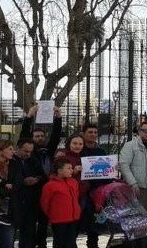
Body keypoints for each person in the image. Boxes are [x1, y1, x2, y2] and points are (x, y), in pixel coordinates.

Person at [20, 104, 61, 248]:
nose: (40, 138)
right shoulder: (29, 151)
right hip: (30, 192)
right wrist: (29, 115)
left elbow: (56, 136)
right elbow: (24, 133)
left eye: (42, 136)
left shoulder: (47, 151)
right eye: (36, 136)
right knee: (29, 226)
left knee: (43, 224)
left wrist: (58, 117)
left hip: (45, 192)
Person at [9, 138, 47, 248]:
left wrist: (36, 179)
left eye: (30, 151)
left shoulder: (33, 160)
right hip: (16, 202)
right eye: (25, 151)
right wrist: (23, 181)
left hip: (30, 202)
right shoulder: (12, 161)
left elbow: (43, 176)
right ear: (18, 149)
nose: (28, 154)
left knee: (29, 233)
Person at [39, 159, 81, 248]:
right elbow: (45, 203)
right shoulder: (50, 186)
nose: (71, 170)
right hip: (59, 220)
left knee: (71, 243)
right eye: (68, 168)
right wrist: (54, 214)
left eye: (71, 168)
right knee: (59, 243)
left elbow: (76, 197)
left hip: (73, 218)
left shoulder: (73, 182)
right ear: (60, 171)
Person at [80, 123, 109, 248]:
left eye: (95, 132)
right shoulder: (79, 149)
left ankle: (93, 245)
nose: (93, 135)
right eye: (90, 132)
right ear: (83, 134)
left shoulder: (101, 151)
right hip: (82, 190)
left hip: (98, 190)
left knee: (95, 220)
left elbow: (106, 169)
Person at [0, 140, 16, 248]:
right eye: (10, 149)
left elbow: (17, 182)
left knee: (7, 243)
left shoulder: (14, 164)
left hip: (9, 212)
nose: (13, 152)